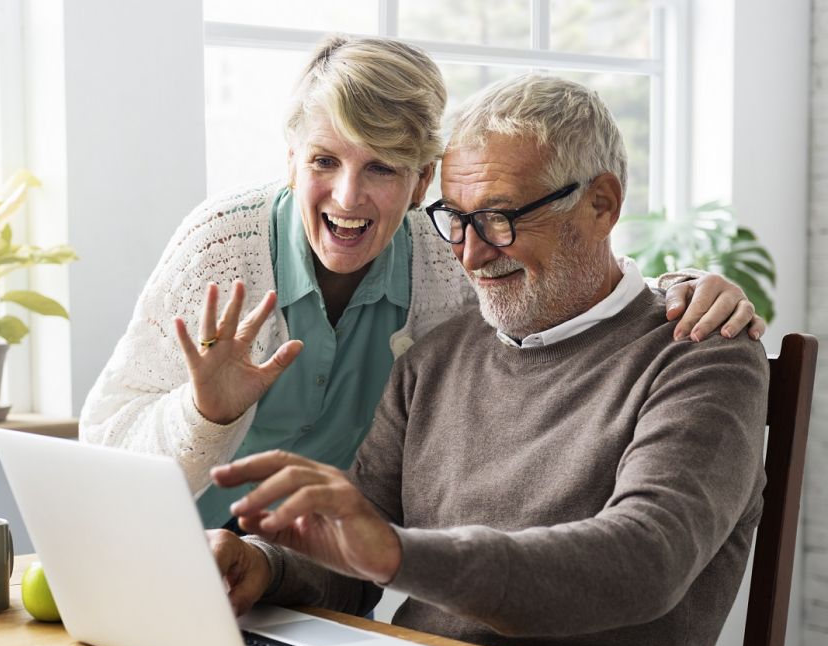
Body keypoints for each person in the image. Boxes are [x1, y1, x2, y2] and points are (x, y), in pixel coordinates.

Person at [207, 74, 768, 646]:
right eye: (455, 217)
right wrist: (264, 565)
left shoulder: (701, 351)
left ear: (601, 204)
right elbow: (350, 561)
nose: (470, 253)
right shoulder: (436, 359)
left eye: (501, 218)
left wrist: (398, 553)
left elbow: (645, 559)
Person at [80, 35, 763, 532]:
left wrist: (688, 284)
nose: (348, 196)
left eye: (381, 167)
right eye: (324, 159)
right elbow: (103, 456)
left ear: (421, 180)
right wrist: (205, 416)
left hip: (321, 580)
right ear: (290, 162)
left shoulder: (452, 251)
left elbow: (565, 262)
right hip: (178, 556)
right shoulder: (221, 248)